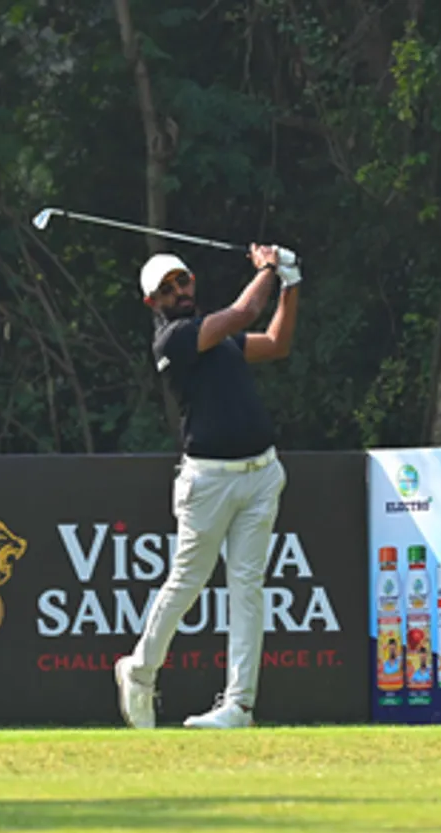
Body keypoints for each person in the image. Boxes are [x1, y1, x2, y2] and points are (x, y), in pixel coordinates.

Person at [113, 241, 301, 729]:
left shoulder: (218, 340)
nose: (179, 290)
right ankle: (140, 669)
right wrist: (269, 269)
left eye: (184, 280)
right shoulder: (174, 341)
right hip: (209, 481)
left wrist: (291, 285)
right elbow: (244, 310)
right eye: (167, 288)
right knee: (188, 581)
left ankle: (239, 705)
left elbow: (277, 343)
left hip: (261, 474)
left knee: (247, 588)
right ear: (152, 303)